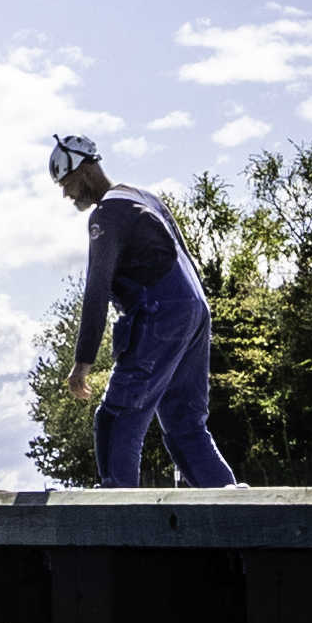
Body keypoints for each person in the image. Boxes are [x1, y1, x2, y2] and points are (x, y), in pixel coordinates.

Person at [52, 137, 233, 488]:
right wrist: (196, 319)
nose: (66, 195)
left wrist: (82, 362)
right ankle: (235, 510)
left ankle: (118, 521)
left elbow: (96, 289)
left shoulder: (107, 215)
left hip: (159, 313)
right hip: (194, 309)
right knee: (186, 427)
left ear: (86, 171)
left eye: (67, 184)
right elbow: (185, 258)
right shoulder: (144, 197)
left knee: (116, 418)